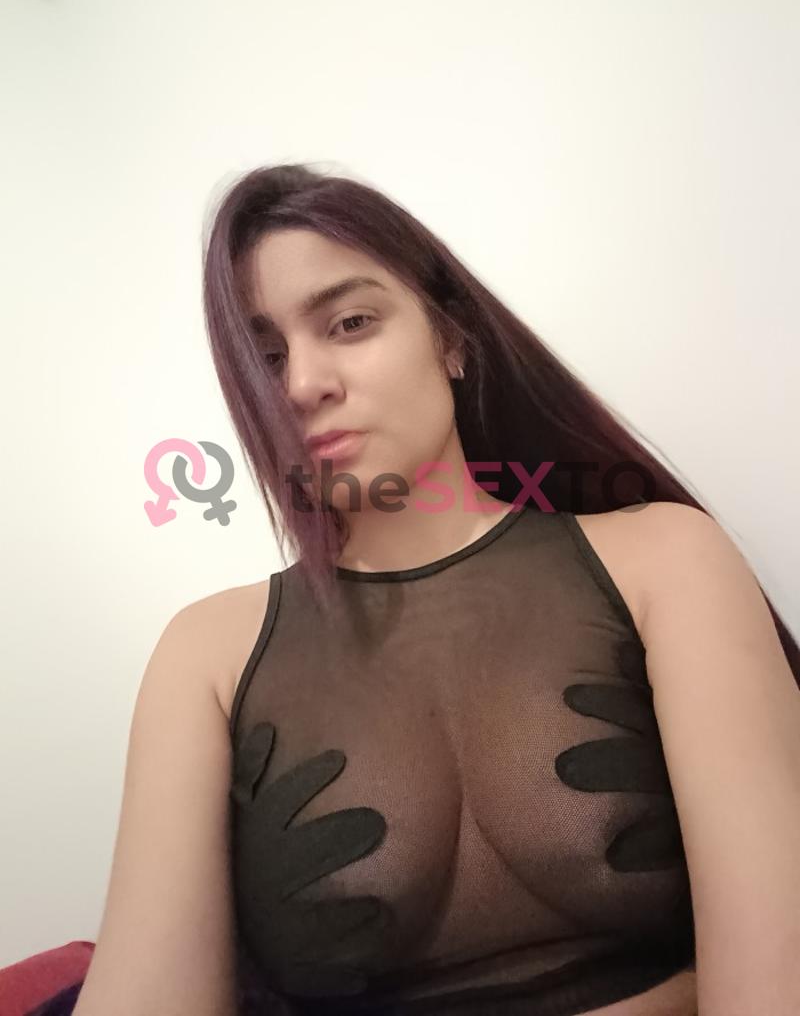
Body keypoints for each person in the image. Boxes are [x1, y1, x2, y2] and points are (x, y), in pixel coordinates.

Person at [69, 164, 800, 1016]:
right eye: (266, 359)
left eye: (350, 322)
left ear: (451, 338)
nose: (302, 384)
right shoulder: (207, 656)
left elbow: (775, 981)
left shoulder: (664, 560)